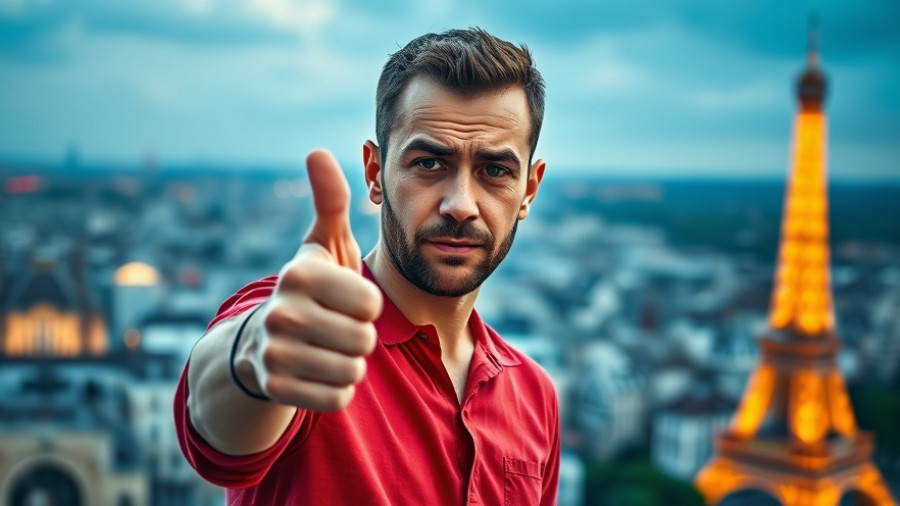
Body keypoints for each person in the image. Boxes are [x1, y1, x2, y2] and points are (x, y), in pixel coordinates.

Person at [174, 27, 559, 505]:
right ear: (375, 174)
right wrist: (253, 354)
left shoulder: (534, 396)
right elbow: (219, 420)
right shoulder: (310, 327)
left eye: (495, 170)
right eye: (428, 163)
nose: (461, 204)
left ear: (529, 189)